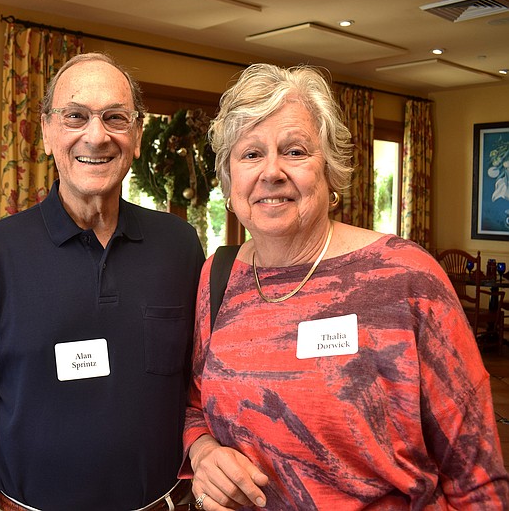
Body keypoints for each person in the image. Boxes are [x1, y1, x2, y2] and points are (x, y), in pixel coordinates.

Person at [182, 63, 509, 510]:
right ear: (229, 179)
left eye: (295, 151)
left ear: (331, 172)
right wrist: (203, 453)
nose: (271, 172)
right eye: (251, 154)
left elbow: (478, 481)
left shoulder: (406, 277)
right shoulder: (217, 277)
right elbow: (195, 403)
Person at [0, 52, 205, 510]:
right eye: (75, 116)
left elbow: (199, 390)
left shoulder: (179, 247)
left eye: (115, 118)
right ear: (46, 131)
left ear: (137, 136)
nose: (96, 136)